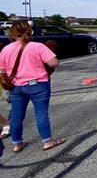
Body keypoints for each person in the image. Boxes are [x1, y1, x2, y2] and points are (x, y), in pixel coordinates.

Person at [0, 21, 65, 153]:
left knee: (16, 116)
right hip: (38, 84)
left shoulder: (5, 50)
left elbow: (2, 71)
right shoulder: (37, 46)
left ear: (12, 34)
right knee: (41, 113)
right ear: (30, 32)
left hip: (16, 87)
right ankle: (47, 141)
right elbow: (54, 62)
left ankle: (17, 144)